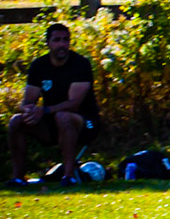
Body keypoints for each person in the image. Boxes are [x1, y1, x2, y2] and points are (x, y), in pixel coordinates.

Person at [8, 22, 101, 187]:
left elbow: (74, 104)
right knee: (16, 121)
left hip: (84, 122)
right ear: (48, 43)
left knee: (63, 117)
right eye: (57, 40)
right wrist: (29, 111)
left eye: (66, 40)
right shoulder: (39, 66)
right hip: (51, 122)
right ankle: (18, 178)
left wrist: (43, 110)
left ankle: (69, 177)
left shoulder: (80, 64)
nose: (62, 44)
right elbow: (27, 101)